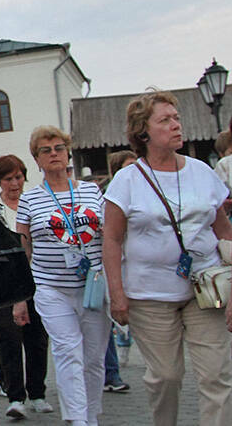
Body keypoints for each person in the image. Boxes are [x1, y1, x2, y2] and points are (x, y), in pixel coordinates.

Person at [103, 91, 232, 426]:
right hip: (149, 296)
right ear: (143, 132)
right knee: (166, 376)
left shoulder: (202, 172)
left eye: (176, 118)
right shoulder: (126, 181)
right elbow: (113, 240)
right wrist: (117, 295)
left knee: (217, 376)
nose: (176, 125)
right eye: (165, 120)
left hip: (207, 289)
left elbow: (225, 232)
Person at [13, 126, 107, 426]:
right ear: (37, 160)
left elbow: (110, 236)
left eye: (58, 148)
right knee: (68, 351)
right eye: (45, 150)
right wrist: (19, 299)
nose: (53, 154)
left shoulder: (92, 192)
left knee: (93, 359)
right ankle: (77, 420)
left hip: (93, 285)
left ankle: (91, 416)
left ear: (68, 153)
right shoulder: (30, 200)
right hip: (51, 287)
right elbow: (23, 251)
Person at [0, 154, 52, 420]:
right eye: (8, 179)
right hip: (3, 283)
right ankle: (15, 396)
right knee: (7, 339)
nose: (14, 183)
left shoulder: (33, 202)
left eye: (18, 177)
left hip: (36, 278)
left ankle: (37, 393)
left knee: (37, 338)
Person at [101, 150, 136, 394]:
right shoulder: (109, 197)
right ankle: (111, 372)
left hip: (140, 265)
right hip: (116, 263)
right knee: (108, 317)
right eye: (128, 167)